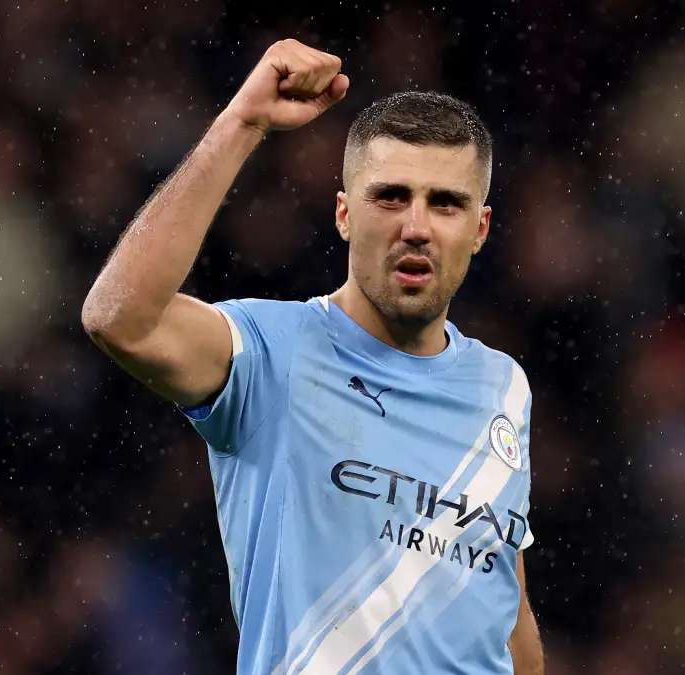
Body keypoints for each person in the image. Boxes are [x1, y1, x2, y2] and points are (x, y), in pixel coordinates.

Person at [81, 39, 544, 675]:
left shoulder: (504, 387)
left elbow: (505, 600)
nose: (416, 225)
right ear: (344, 215)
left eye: (445, 202)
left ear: (480, 229)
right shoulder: (273, 351)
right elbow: (121, 319)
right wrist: (242, 122)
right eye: (390, 196)